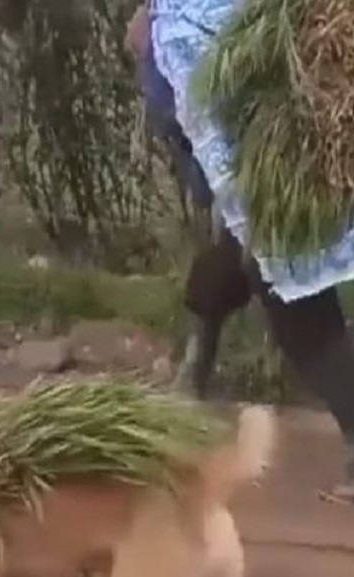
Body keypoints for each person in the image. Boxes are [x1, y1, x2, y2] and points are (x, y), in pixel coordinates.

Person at [130, 0, 354, 503]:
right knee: (235, 261)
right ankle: (190, 382)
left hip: (258, 122)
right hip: (233, 103)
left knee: (293, 303)